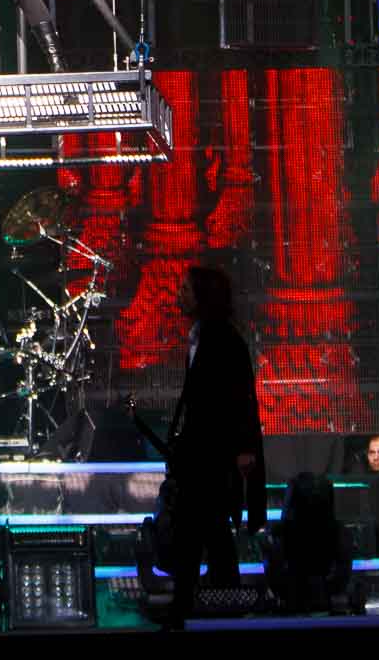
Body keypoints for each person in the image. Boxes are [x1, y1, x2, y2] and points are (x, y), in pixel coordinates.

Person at [164, 264, 266, 627]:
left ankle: (205, 607)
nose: (180, 295)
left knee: (203, 533)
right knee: (206, 533)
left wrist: (242, 450)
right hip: (201, 457)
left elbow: (240, 400)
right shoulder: (202, 338)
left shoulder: (223, 340)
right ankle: (212, 605)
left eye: (186, 289)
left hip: (212, 459)